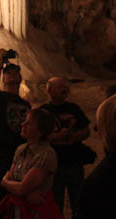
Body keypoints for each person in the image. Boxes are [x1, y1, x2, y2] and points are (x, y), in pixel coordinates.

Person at [40, 77, 93, 218]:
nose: (65, 89)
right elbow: (38, 138)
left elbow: (87, 131)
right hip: (53, 166)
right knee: (55, 205)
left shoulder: (74, 109)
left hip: (74, 163)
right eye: (60, 87)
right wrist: (58, 137)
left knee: (79, 202)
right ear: (49, 90)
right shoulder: (42, 112)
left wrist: (76, 137)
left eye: (65, 86)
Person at [0, 48, 31, 219]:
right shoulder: (0, 98)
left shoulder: (25, 104)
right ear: (3, 78)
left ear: (20, 78)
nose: (12, 75)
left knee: (20, 196)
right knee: (1, 195)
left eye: (15, 73)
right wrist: (0, 65)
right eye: (9, 73)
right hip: (5, 154)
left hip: (22, 154)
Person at [0, 108, 62, 219]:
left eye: (29, 124)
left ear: (40, 132)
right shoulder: (21, 150)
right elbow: (14, 180)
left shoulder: (46, 154)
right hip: (18, 209)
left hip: (37, 212)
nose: (23, 124)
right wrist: (26, 193)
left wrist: (5, 182)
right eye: (25, 121)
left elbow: (22, 187)